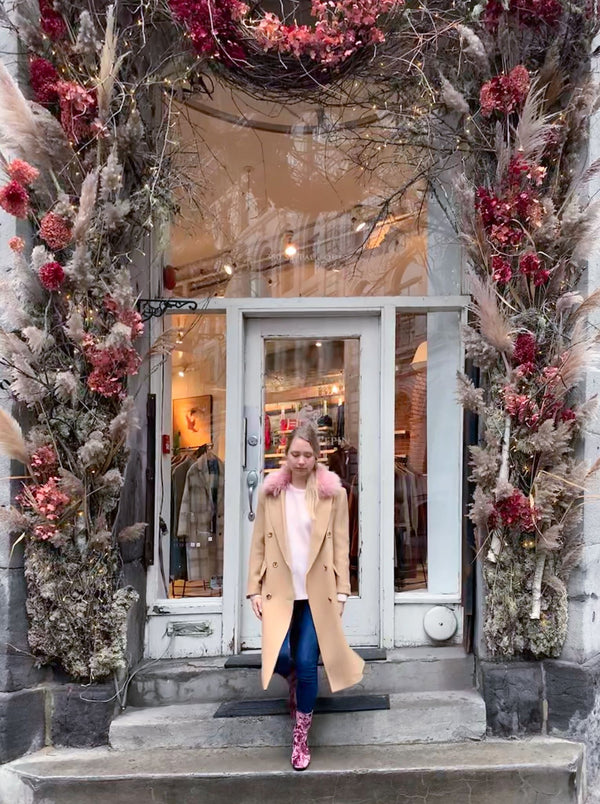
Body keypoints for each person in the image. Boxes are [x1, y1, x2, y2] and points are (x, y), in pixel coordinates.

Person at [247, 423, 364, 770]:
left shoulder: (333, 494)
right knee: (281, 657)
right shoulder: (271, 493)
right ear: (285, 454)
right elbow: (259, 543)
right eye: (295, 454)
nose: (301, 461)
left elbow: (340, 544)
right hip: (279, 590)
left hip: (317, 592)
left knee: (308, 662)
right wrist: (254, 588)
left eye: (307, 455)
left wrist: (343, 590)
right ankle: (294, 681)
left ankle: (300, 737)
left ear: (317, 456)